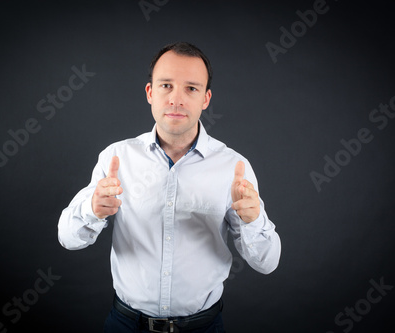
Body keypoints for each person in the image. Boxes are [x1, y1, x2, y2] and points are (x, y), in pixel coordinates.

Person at [58, 41, 281, 333]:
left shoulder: (233, 167)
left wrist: (253, 221)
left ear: (206, 98)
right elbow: (68, 238)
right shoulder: (117, 158)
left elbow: (268, 263)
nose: (176, 99)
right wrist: (92, 209)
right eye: (166, 85)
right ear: (150, 93)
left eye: (191, 88)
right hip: (125, 325)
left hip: (203, 327)